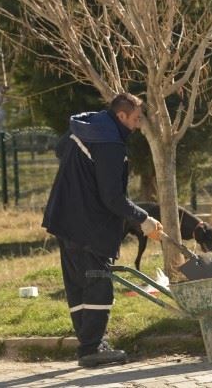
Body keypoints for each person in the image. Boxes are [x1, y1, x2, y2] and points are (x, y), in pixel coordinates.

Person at [42, 92, 164, 367]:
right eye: (134, 119)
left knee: (77, 285)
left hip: (64, 218)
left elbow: (60, 151)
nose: (136, 125)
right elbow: (111, 197)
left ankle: (89, 346)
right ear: (121, 116)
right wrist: (143, 219)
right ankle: (93, 348)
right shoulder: (109, 142)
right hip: (89, 225)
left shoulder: (87, 129)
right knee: (98, 284)